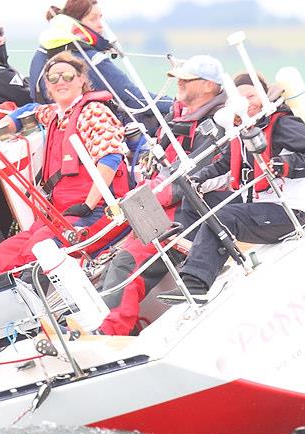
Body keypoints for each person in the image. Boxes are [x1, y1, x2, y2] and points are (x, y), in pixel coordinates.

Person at [159, 72, 305, 304]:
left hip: (290, 211)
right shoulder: (242, 131)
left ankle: (196, 284)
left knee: (225, 217)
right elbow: (224, 163)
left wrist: (285, 166)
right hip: (259, 205)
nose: (246, 103)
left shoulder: (281, 123)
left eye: (251, 95)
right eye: (240, 98)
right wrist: (197, 179)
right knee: (193, 203)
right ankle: (200, 262)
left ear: (262, 96)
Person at [97, 55, 229, 335]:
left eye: (186, 79)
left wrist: (145, 198)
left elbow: (192, 176)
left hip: (191, 214)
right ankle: (107, 327)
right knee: (106, 267)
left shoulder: (218, 124)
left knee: (126, 264)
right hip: (160, 208)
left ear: (208, 85)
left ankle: (109, 334)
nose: (178, 83)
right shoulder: (177, 117)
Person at [0, 51, 129, 277]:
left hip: (98, 211)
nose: (60, 81)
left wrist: (89, 205)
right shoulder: (54, 114)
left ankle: (26, 308)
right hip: (58, 214)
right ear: (48, 87)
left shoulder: (94, 113)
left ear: (82, 79)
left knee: (34, 255)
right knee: (0, 257)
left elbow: (110, 159)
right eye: (53, 78)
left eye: (68, 76)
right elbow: (26, 111)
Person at [29, 0, 172, 134]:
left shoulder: (40, 55)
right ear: (76, 23)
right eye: (93, 19)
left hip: (54, 132)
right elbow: (134, 99)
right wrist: (177, 104)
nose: (100, 25)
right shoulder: (93, 59)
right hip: (94, 131)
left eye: (100, 18)